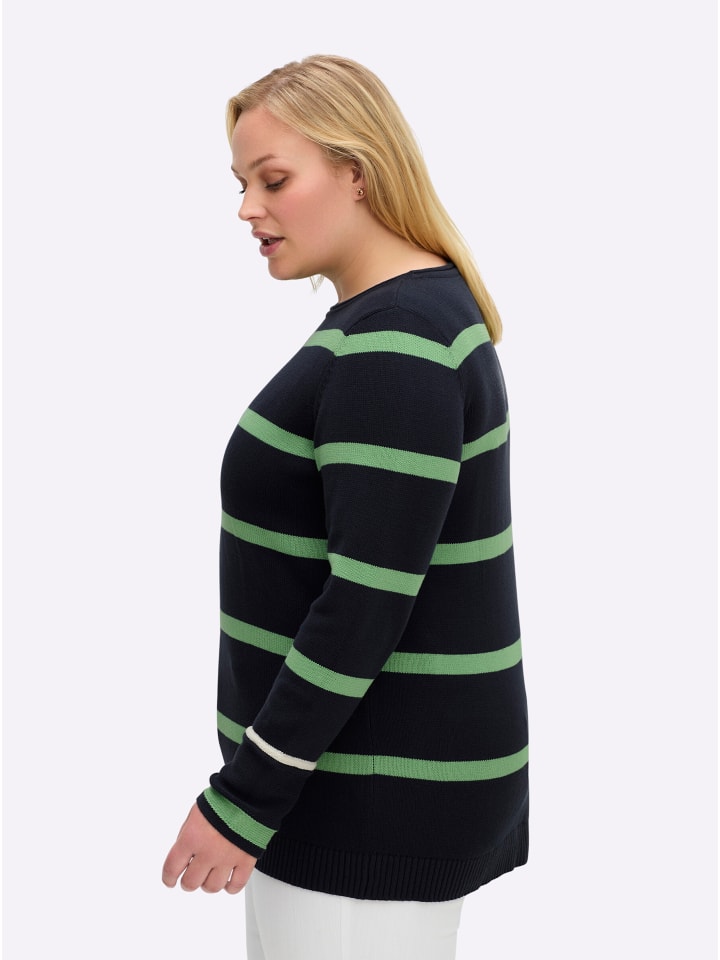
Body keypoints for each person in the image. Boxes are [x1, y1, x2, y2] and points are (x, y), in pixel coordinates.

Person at [162, 54, 529, 960]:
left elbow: (363, 605)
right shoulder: (403, 318)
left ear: (357, 172)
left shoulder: (396, 345)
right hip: (343, 788)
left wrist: (244, 798)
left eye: (273, 179)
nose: (248, 209)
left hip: (365, 800)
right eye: (242, 184)